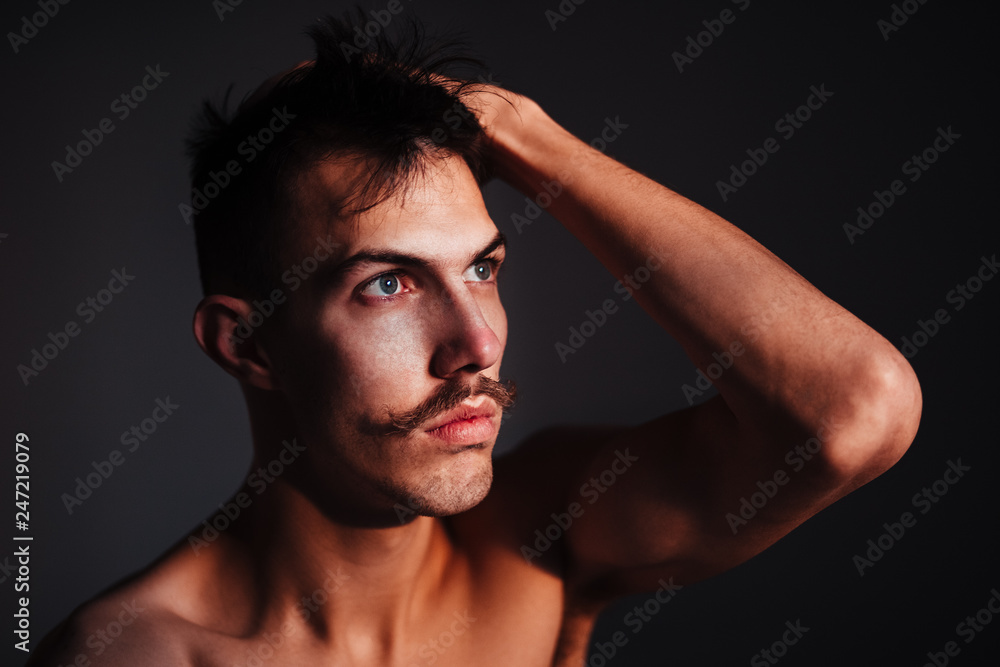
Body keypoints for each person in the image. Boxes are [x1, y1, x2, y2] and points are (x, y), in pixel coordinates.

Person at [29, 12, 922, 667]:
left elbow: (853, 410)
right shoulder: (127, 655)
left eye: (483, 270)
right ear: (247, 344)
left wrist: (522, 134)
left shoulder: (545, 536)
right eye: (389, 283)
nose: (476, 343)